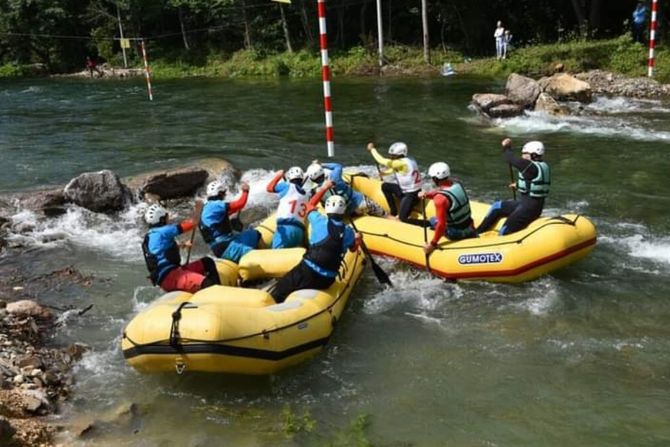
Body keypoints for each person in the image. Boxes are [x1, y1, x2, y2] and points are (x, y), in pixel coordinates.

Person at [270, 191, 361, 304]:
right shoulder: (349, 232)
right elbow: (353, 249)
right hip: (327, 280)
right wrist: (357, 239)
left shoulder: (318, 219)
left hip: (308, 271)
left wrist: (324, 188)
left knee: (277, 292)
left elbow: (309, 206)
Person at [476, 138, 551, 236]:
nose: (522, 156)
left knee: (504, 232)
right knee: (497, 206)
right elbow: (532, 182)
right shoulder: (538, 166)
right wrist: (519, 185)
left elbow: (509, 158)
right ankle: (477, 233)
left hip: (530, 210)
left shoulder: (530, 166)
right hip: (524, 204)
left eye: (525, 153)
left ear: (533, 154)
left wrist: (506, 146)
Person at [142, 204, 220, 294]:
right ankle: (216, 295)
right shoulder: (163, 231)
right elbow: (191, 224)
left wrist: (183, 245)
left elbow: (160, 251)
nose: (168, 219)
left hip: (167, 277)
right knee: (207, 284)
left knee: (207, 262)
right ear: (161, 219)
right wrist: (198, 212)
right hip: (172, 277)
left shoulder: (150, 236)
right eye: (166, 217)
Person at [411, 162, 477, 255]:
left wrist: (432, 244)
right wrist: (427, 195)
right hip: (470, 228)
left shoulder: (440, 199)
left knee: (434, 220)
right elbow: (445, 190)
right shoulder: (458, 185)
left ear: (435, 179)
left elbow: (442, 225)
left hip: (457, 233)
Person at [199, 180, 262, 263]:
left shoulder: (208, 206)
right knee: (253, 255)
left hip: (228, 241)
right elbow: (240, 203)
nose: (225, 194)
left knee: (255, 234)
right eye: (224, 192)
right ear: (219, 193)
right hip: (225, 246)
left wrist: (237, 210)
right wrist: (245, 191)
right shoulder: (216, 205)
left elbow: (230, 211)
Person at [366, 141, 422, 223]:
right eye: (391, 155)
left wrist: (372, 149)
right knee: (385, 186)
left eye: (393, 155)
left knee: (403, 219)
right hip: (405, 190)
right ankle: (394, 211)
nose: (391, 157)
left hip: (411, 195)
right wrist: (385, 173)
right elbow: (398, 169)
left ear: (400, 154)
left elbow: (381, 160)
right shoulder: (409, 160)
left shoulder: (399, 163)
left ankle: (427, 224)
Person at [266, 166, 310, 248]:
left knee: (276, 255)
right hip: (299, 232)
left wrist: (278, 175)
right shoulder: (307, 194)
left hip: (286, 228)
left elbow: (269, 188)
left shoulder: (286, 186)